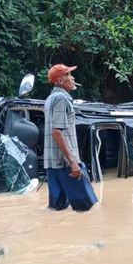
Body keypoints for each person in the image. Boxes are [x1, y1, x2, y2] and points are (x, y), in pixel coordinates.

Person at [44, 64, 98, 211]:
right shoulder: (62, 99)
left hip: (52, 164)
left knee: (56, 209)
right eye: (68, 75)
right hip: (66, 164)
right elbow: (57, 132)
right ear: (60, 81)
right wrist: (73, 162)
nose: (72, 78)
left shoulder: (50, 99)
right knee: (90, 208)